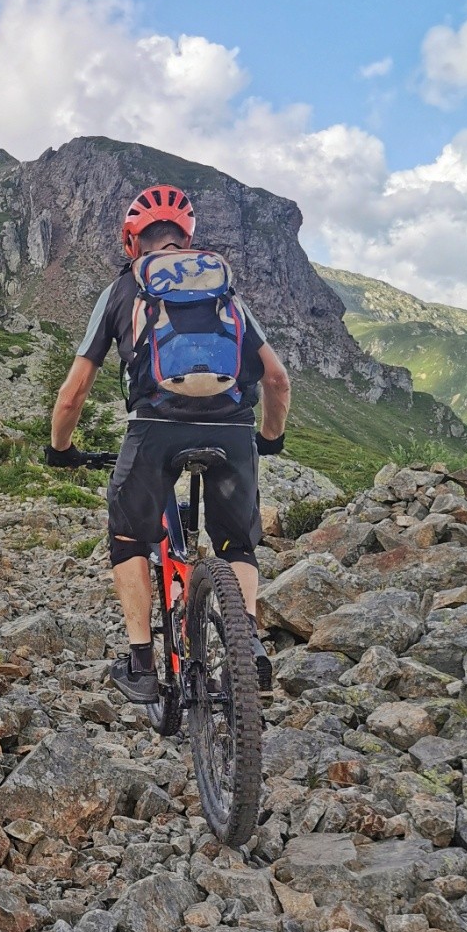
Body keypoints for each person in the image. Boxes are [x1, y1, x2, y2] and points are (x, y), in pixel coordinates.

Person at [47, 184, 291, 703]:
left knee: (130, 536)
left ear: (130, 240)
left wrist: (60, 449)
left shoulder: (122, 289)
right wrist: (269, 439)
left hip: (155, 428)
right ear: (187, 237)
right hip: (233, 428)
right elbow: (278, 380)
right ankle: (249, 647)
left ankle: (139, 663)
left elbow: (73, 394)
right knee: (237, 543)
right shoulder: (225, 291)